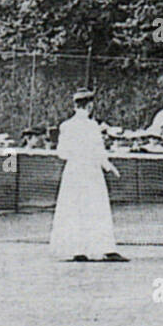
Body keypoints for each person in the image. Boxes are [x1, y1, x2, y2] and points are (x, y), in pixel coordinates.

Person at [49, 89, 127, 262]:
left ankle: (80, 250)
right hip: (88, 172)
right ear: (90, 106)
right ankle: (102, 249)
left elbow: (62, 153)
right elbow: (98, 151)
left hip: (75, 172)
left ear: (76, 106)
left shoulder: (66, 126)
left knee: (75, 209)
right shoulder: (91, 126)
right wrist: (109, 166)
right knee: (96, 208)